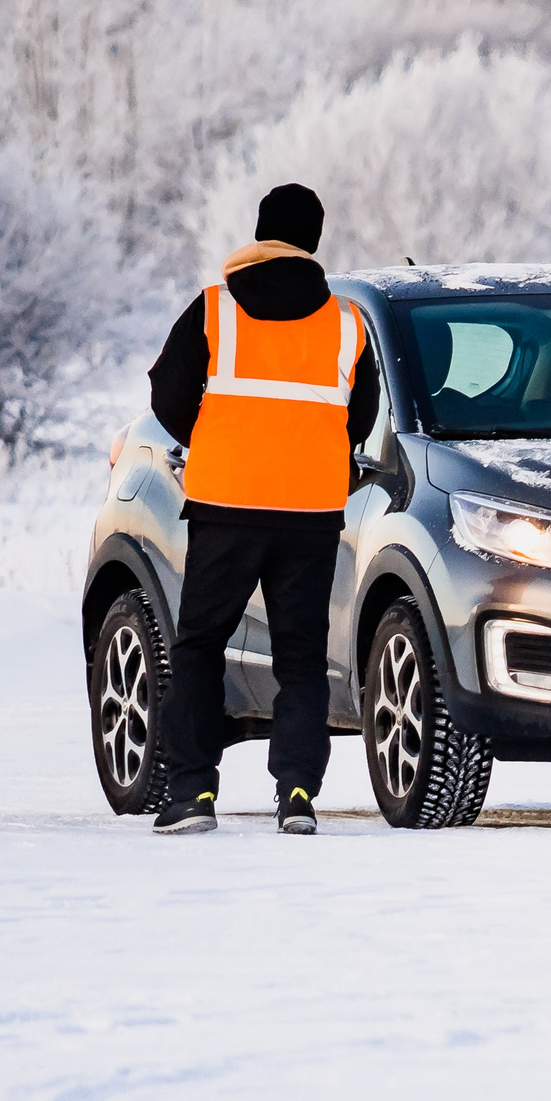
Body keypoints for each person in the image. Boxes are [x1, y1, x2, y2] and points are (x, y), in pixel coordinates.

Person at [145, 183, 378, 836]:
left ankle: (192, 793)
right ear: (314, 241)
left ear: (261, 231)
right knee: (300, 659)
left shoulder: (215, 311)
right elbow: (359, 418)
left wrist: (214, 442)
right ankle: (298, 794)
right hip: (309, 511)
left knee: (199, 647)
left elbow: (167, 394)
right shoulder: (345, 324)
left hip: (226, 507)